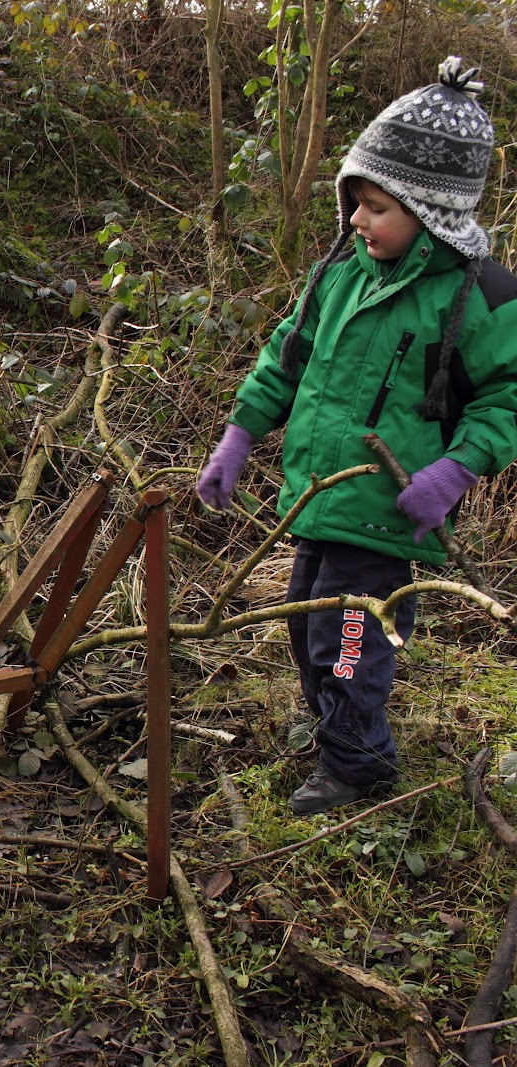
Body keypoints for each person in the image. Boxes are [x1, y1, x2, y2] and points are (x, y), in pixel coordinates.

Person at [197, 57, 517, 815]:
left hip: (383, 515)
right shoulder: (341, 274)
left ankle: (359, 762)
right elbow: (287, 355)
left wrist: (453, 471)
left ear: (430, 210)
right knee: (305, 625)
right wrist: (239, 438)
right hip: (318, 498)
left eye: (376, 206)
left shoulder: (478, 298)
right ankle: (335, 732)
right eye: (355, 201)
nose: (356, 220)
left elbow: (508, 398)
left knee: (348, 641)